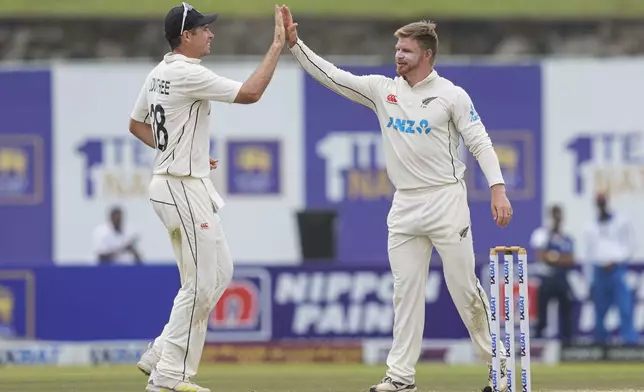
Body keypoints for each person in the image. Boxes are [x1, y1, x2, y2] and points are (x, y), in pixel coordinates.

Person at [281, 6, 512, 392]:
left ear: (427, 55)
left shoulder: (450, 95)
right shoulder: (383, 90)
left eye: (406, 50)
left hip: (445, 201)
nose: (398, 56)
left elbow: (480, 142)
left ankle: (502, 371)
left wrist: (497, 187)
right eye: (397, 49)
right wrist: (296, 46)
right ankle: (401, 377)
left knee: (465, 291)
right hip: (404, 205)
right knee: (405, 293)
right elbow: (334, 78)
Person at [128, 3, 286, 392]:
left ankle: (161, 352)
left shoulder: (159, 72)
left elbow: (137, 125)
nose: (210, 34)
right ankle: (167, 378)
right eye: (204, 29)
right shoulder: (185, 73)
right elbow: (250, 93)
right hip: (179, 186)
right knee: (199, 284)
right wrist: (278, 45)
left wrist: (183, 151)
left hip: (184, 182)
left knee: (219, 275)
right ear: (186, 37)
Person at [584, 192, 638, 345]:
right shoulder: (591, 227)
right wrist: (589, 280)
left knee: (625, 307)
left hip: (617, 269)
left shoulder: (621, 222)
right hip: (599, 270)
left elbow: (631, 245)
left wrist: (616, 260)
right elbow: (588, 254)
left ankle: (629, 343)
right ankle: (601, 345)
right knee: (599, 311)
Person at [529, 205, 574, 343]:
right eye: (555, 215)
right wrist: (557, 257)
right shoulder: (541, 234)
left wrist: (553, 257)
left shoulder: (567, 234)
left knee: (567, 310)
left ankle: (567, 341)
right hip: (546, 278)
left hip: (561, 278)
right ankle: (538, 340)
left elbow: (570, 259)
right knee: (541, 312)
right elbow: (541, 255)